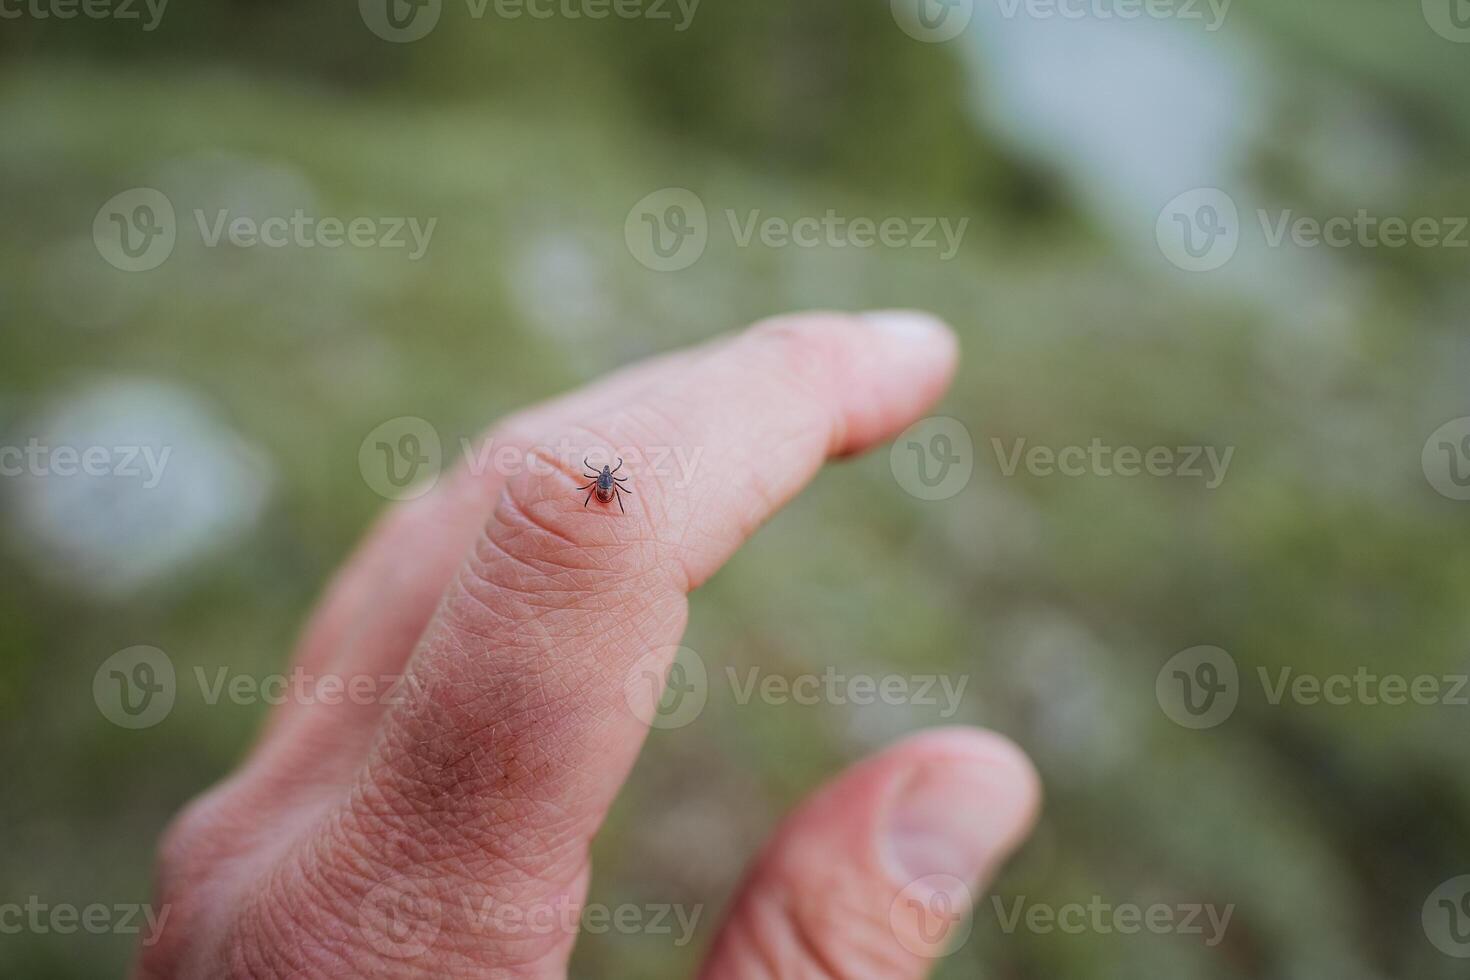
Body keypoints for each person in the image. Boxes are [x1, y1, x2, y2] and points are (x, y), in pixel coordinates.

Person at [136, 310, 1041, 978]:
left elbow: (601, 493)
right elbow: (601, 494)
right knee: (590, 506)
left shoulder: (602, 486)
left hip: (605, 495)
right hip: (605, 497)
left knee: (589, 506)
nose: (604, 485)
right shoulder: (602, 487)